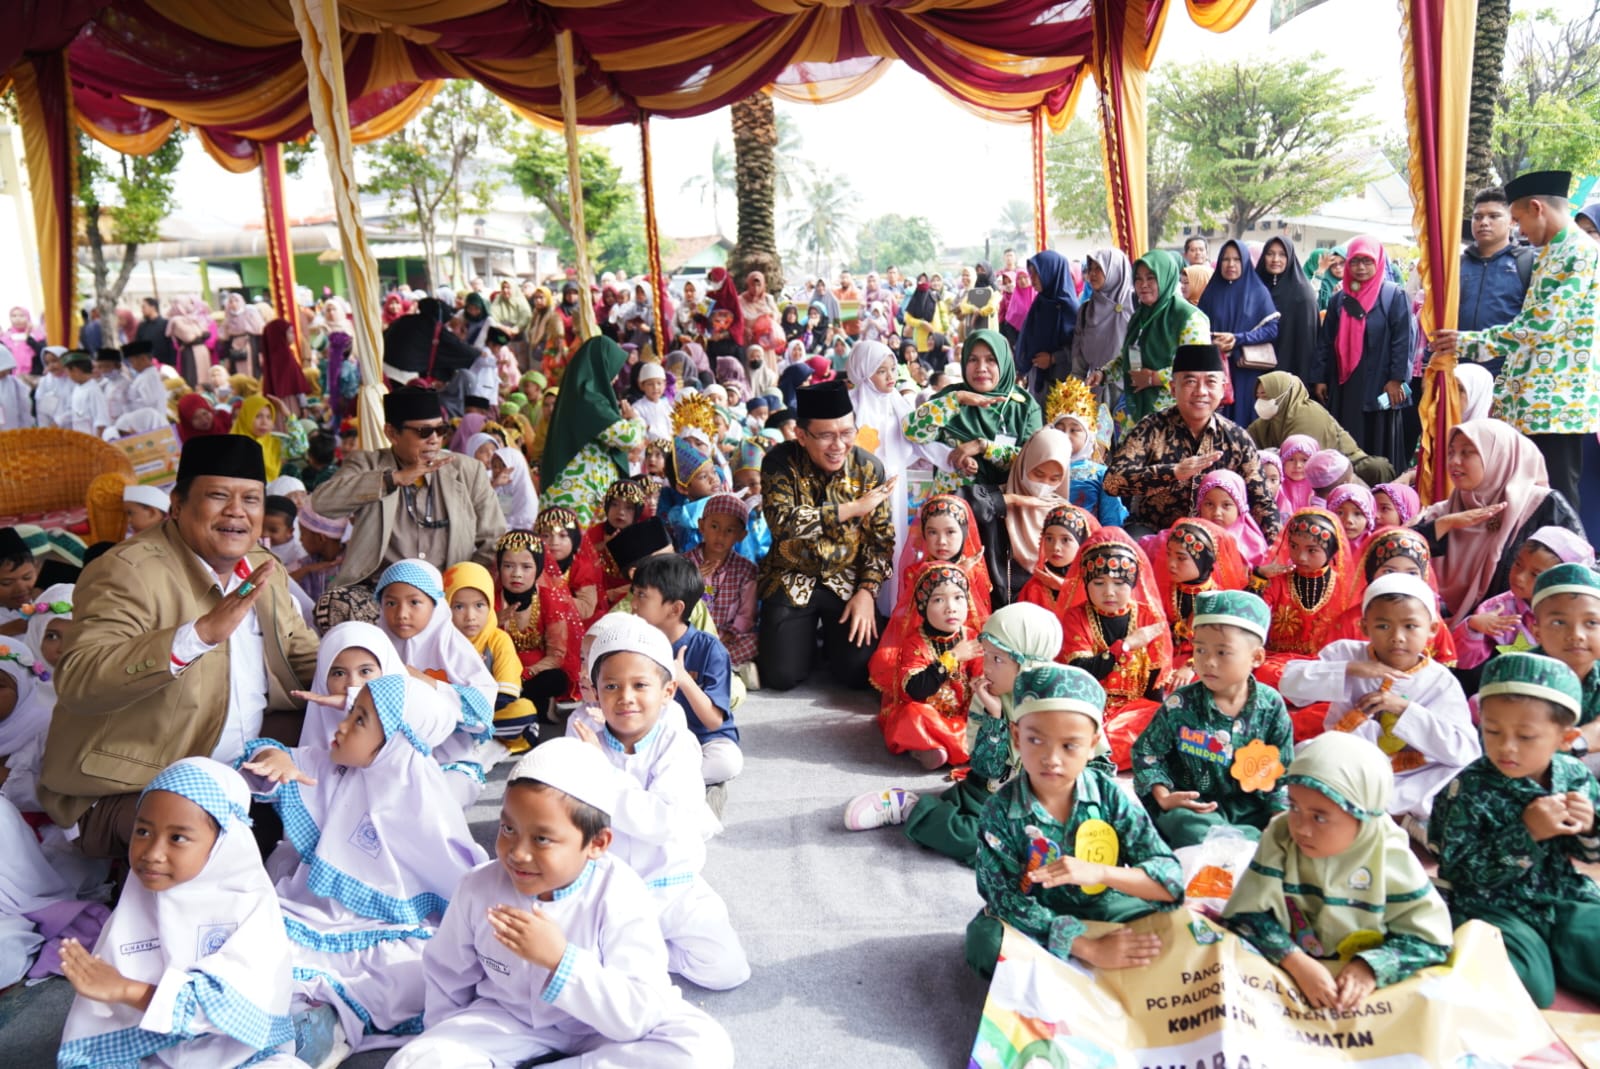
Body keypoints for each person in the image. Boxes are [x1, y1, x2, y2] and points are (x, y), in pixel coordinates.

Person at [41, 436, 318, 858]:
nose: (236, 511)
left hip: (238, 764)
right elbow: (80, 678)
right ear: (177, 505)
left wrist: (375, 673)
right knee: (211, 848)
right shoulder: (128, 571)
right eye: (218, 496)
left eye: (250, 499)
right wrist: (198, 636)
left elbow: (300, 653)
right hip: (130, 781)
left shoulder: (263, 567)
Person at [387, 739, 734, 1069]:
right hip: (507, 1019)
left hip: (600, 1026)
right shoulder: (477, 887)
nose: (518, 853)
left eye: (541, 839)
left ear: (597, 844)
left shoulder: (621, 892)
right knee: (414, 1061)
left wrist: (560, 960)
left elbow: (638, 1014)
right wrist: (447, 1044)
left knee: (703, 1048)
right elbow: (446, 976)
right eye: (508, 829)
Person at [238, 674, 485, 1055]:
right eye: (351, 712)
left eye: (360, 720)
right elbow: (273, 759)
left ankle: (326, 1018)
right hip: (313, 912)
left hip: (391, 929)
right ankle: (315, 1017)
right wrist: (273, 758)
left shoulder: (425, 799)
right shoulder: (330, 766)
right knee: (251, 943)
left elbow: (457, 878)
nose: (342, 726)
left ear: (395, 741)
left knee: (421, 969)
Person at [55, 758, 309, 1069]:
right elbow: (100, 1026)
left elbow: (232, 1006)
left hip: (238, 1058)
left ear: (223, 843)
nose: (152, 853)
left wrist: (127, 989)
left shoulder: (249, 906)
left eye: (177, 838)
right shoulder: (134, 908)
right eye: (143, 832)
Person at [964, 663, 1184, 979]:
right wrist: (1087, 947)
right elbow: (1005, 901)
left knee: (1182, 926)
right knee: (986, 941)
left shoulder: (1108, 795)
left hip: (1104, 906)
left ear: (1092, 744)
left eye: (1069, 746)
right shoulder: (999, 811)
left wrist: (1100, 872)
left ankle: (1069, 974)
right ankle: (1081, 968)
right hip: (1036, 917)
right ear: (1016, 736)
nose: (1052, 759)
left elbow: (1169, 881)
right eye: (1036, 740)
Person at [565, 615, 749, 990]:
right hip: (608, 888)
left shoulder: (677, 741)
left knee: (727, 969)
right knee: (567, 963)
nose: (625, 697)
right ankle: (632, 951)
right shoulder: (585, 733)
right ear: (596, 691)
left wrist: (603, 773)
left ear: (667, 692)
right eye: (611, 686)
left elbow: (663, 821)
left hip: (671, 883)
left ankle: (651, 953)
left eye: (640, 685)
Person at [1222, 732, 1454, 1010]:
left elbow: (1432, 941)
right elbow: (1244, 915)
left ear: (1363, 816)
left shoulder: (1388, 855)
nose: (1301, 828)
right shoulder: (1281, 836)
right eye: (1293, 807)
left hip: (1360, 993)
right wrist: (1294, 960)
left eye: (1320, 817)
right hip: (1289, 977)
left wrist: (1371, 967)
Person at [1428, 652, 1600, 1007]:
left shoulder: (1575, 776)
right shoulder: (1469, 788)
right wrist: (1526, 834)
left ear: (1565, 738)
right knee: (1529, 983)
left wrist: (1589, 827)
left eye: (1526, 736)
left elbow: (1589, 854)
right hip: (1493, 906)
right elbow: (1459, 871)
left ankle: (1559, 950)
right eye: (1492, 731)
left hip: (1561, 895)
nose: (1506, 747)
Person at [1435, 170, 1600, 511]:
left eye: (1519, 220)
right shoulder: (1552, 252)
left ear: (1537, 208)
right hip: (1534, 402)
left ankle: (1562, 549)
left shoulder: (1579, 251)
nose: (1520, 231)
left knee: (1556, 500)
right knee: (1530, 498)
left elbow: (1541, 325)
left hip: (1557, 404)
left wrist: (1469, 343)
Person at [850, 604, 1060, 858]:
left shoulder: (1064, 704)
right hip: (987, 792)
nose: (986, 668)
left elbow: (1086, 766)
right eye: (986, 655)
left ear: (1028, 664)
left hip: (1040, 804)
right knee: (982, 839)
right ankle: (911, 808)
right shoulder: (988, 697)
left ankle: (926, 812)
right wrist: (995, 716)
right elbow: (986, 769)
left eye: (997, 659)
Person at [1281, 573, 1477, 827]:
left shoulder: (1440, 681)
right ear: (1365, 627)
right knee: (1309, 755)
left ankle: (1390, 816)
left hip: (1410, 776)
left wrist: (1404, 709)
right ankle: (1387, 816)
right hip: (1348, 763)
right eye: (1383, 626)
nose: (1397, 637)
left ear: (1432, 629)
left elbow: (1464, 750)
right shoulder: (1346, 653)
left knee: (1459, 776)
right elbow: (1290, 684)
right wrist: (1350, 669)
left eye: (1410, 626)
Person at [757, 382, 895, 692]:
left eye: (847, 433)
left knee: (859, 673)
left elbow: (881, 541)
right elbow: (781, 522)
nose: (839, 445)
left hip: (846, 578)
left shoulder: (868, 468)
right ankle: (806, 641)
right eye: (826, 436)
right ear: (801, 435)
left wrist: (867, 591)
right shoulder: (779, 462)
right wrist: (853, 509)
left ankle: (829, 641)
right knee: (781, 676)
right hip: (792, 575)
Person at [1132, 589, 1293, 848]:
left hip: (1252, 806)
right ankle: (1244, 847)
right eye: (1200, 650)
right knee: (1189, 827)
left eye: (1222, 652)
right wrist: (1163, 796)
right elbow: (1147, 752)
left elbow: (1281, 770)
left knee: (1291, 832)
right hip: (1194, 806)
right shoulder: (1180, 704)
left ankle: (1248, 844)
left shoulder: (1270, 705)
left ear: (1256, 657)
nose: (1208, 662)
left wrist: (1277, 818)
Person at [310, 386, 506, 587]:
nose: (434, 440)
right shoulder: (368, 464)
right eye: (424, 432)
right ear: (392, 433)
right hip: (376, 590)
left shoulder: (468, 471)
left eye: (440, 430)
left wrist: (465, 584)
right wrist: (391, 479)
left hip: (447, 591)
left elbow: (494, 539)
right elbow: (322, 503)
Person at [1415, 419, 1583, 629]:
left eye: (1466, 452)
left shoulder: (1543, 506)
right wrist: (1445, 524)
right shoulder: (1443, 512)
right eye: (1451, 453)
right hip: (1445, 635)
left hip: (1524, 635)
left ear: (1499, 456)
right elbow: (1394, 555)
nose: (1454, 461)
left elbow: (1581, 574)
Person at [1104, 344, 1279, 541]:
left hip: (1218, 537)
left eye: (1210, 382)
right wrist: (1172, 473)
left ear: (1223, 389)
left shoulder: (1238, 439)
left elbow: (1262, 503)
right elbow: (1112, 482)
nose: (1201, 391)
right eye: (1190, 382)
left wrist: (1277, 547)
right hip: (1155, 533)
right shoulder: (1151, 429)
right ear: (1173, 388)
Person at [1057, 529, 1174, 769]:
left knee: (1167, 723)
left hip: (1135, 711)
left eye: (1119, 583)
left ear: (1132, 583)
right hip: (1089, 705)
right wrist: (1126, 645)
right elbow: (1082, 671)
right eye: (1099, 583)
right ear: (1086, 583)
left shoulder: (1148, 616)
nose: (1109, 592)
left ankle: (1103, 755)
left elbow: (1155, 682)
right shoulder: (1076, 617)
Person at [629, 554, 742, 792]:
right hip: (656, 738)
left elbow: (713, 721)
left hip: (706, 740)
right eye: (634, 593)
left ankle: (661, 783)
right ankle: (666, 782)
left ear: (675, 609)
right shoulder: (635, 643)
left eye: (642, 595)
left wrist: (683, 678)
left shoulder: (710, 648)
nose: (634, 604)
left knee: (727, 761)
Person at [1310, 235, 1414, 473]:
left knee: (1377, 435)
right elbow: (1325, 341)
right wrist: (1320, 379)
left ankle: (1378, 482)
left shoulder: (1393, 297)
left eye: (1367, 261)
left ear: (1378, 262)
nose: (1361, 268)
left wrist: (1397, 379)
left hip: (1380, 381)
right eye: (1355, 261)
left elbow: (1402, 340)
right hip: (1345, 384)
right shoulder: (1339, 300)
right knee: (1347, 431)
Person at [903, 329, 1042, 495]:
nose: (981, 368)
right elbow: (912, 433)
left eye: (991, 360)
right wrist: (958, 399)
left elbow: (1032, 461)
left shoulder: (1024, 407)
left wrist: (983, 446)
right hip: (953, 505)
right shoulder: (950, 398)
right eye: (973, 359)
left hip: (1008, 502)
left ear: (1004, 361)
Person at [539, 337, 646, 526]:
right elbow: (628, 438)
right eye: (613, 368)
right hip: (578, 493)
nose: (615, 377)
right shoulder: (588, 399)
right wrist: (636, 420)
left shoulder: (582, 394)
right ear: (601, 365)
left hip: (583, 489)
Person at [1247, 371, 1395, 485]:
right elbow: (1245, 445)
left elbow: (1306, 462)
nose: (1261, 401)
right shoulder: (1266, 422)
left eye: (1265, 396)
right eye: (1258, 396)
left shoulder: (1306, 415)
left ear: (1282, 394)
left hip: (1341, 466)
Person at [1196, 239, 1281, 426]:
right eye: (1226, 259)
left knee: (1244, 420)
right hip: (1216, 366)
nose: (1231, 264)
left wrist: (1238, 339)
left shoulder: (1258, 292)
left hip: (1245, 370)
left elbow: (1271, 329)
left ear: (1245, 262)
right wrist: (1213, 341)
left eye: (1237, 259)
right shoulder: (1211, 292)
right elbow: (1198, 326)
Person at [1458, 187, 1537, 377]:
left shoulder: (1528, 263)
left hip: (1509, 372)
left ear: (1512, 220)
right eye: (1478, 217)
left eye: (1494, 216)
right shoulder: (1457, 265)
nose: (1484, 222)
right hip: (1461, 373)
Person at [1528, 564, 1600, 760]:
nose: (1576, 635)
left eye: (1592, 623)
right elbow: (1512, 751)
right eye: (1559, 623)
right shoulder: (1516, 674)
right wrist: (1581, 741)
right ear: (1536, 632)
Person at [685, 493, 759, 682]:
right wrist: (692, 579)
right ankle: (726, 668)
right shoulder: (684, 564)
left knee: (757, 641)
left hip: (727, 638)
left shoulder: (746, 570)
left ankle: (707, 668)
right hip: (692, 636)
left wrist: (727, 634)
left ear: (741, 535)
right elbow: (675, 602)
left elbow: (747, 614)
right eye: (714, 526)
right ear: (702, 526)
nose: (720, 535)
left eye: (729, 530)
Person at [1069, 248, 1133, 413]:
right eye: (1090, 268)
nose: (1092, 274)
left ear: (1115, 270)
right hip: (1095, 390)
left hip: (1130, 392)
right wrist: (1074, 391)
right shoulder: (1086, 310)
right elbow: (1079, 359)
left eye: (1099, 268)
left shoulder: (1136, 306)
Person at [1017, 250, 1079, 396]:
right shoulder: (1040, 303)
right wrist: (1022, 369)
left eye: (1037, 273)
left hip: (1061, 384)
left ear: (1051, 273)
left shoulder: (1070, 308)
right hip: (1036, 378)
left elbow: (1079, 348)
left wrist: (1053, 358)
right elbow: (1028, 338)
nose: (1032, 279)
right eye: (1031, 273)